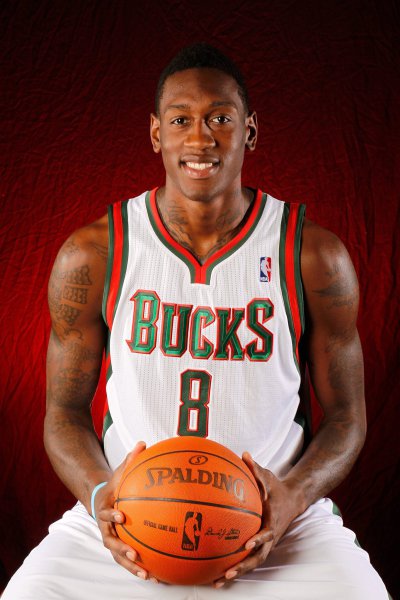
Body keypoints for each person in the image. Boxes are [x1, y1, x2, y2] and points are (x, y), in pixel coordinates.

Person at [3, 43, 389, 600]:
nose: (200, 139)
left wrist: (294, 496)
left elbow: (349, 418)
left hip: (275, 520)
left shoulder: (311, 255)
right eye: (181, 120)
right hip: (130, 518)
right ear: (156, 133)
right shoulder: (95, 253)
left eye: (220, 119)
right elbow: (62, 413)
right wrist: (100, 496)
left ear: (250, 132)